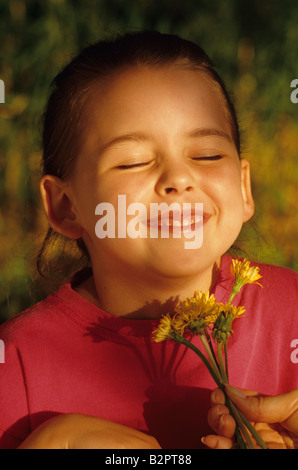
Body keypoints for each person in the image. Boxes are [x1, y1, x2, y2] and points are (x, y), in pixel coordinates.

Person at [0, 30, 297, 449]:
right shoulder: (16, 362)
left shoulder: (292, 314)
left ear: (244, 188)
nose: (178, 178)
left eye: (208, 154)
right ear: (66, 206)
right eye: (133, 162)